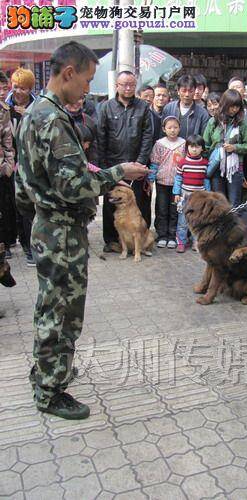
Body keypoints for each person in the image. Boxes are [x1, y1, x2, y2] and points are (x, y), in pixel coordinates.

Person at [15, 41, 149, 420]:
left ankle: (46, 371)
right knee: (61, 313)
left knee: (50, 306)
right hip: (61, 234)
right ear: (68, 73)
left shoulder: (35, 113)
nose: (89, 89)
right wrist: (119, 173)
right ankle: (50, 391)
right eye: (88, 80)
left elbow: (25, 186)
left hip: (47, 227)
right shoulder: (52, 120)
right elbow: (73, 185)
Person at [97, 70, 153, 251]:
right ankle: (112, 241)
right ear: (117, 86)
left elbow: (147, 136)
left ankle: (141, 242)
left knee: (139, 203)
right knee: (111, 202)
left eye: (131, 85)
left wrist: (140, 163)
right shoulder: (106, 107)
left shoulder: (143, 107)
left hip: (137, 164)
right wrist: (105, 168)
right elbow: (101, 137)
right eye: (124, 84)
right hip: (113, 165)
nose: (128, 88)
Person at [6, 68, 37, 263]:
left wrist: (28, 115)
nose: (18, 92)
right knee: (11, 206)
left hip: (30, 165)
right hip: (8, 163)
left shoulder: (38, 107)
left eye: (23, 88)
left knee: (28, 209)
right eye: (16, 87)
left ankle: (30, 247)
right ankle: (10, 241)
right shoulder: (4, 107)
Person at [204, 89, 247, 208]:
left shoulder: (242, 122)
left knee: (234, 204)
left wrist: (235, 147)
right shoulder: (213, 121)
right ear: (225, 104)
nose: (234, 109)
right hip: (216, 167)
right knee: (218, 203)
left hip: (234, 169)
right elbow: (206, 145)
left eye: (237, 106)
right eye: (231, 106)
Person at [149, 116, 186, 248]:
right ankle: (162, 235)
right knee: (162, 209)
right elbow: (154, 163)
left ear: (179, 128)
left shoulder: (183, 144)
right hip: (162, 182)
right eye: (169, 127)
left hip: (177, 184)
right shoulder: (160, 144)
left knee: (175, 209)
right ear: (164, 129)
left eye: (175, 127)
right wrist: (150, 180)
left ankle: (172, 235)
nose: (173, 130)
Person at [173, 134, 210, 252]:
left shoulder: (205, 163)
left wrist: (208, 195)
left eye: (197, 147)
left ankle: (196, 242)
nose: (194, 149)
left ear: (202, 148)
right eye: (191, 146)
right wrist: (176, 193)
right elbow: (178, 179)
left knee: (198, 221)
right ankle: (181, 242)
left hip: (199, 198)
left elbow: (206, 180)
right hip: (185, 197)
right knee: (183, 221)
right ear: (187, 147)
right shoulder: (183, 163)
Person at [162, 75, 210, 139]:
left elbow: (203, 138)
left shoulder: (202, 113)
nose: (187, 94)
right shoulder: (168, 108)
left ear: (194, 91)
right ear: (178, 91)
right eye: (184, 91)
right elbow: (162, 133)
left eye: (190, 91)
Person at [0, 71, 15, 258]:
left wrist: (8, 166)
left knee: (3, 210)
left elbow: (8, 141)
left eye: (4, 88)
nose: (2, 92)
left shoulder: (4, 111)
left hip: (1, 170)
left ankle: (4, 246)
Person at [65, 97, 98, 166]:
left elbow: (94, 151)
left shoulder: (89, 121)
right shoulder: (58, 119)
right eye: (72, 97)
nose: (76, 102)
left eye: (80, 98)